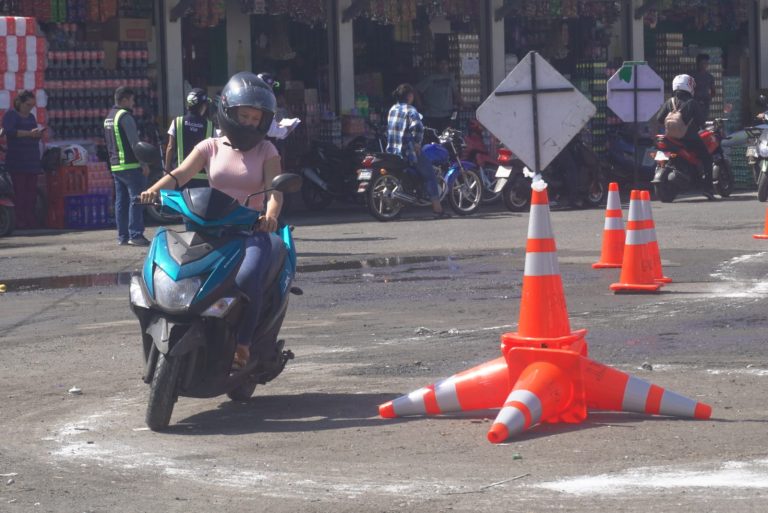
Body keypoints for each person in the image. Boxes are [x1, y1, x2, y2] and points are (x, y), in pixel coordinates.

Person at [139, 72, 283, 371]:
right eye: (244, 115)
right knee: (176, 275)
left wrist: (270, 216)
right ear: (228, 113)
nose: (249, 123)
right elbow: (179, 175)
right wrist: (154, 190)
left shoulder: (267, 150)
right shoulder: (210, 147)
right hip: (207, 229)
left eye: (256, 118)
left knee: (246, 279)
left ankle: (243, 344)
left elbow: (275, 191)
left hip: (249, 232)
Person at [386, 83, 448, 219]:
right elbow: (418, 127)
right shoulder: (411, 110)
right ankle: (437, 208)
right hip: (408, 151)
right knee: (430, 175)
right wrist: (417, 144)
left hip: (393, 150)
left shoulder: (393, 109)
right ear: (409, 96)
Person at [655, 74, 714, 200]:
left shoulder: (669, 102)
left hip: (671, 139)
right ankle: (708, 189)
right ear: (689, 86)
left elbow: (659, 118)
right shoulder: (692, 103)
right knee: (707, 158)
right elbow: (701, 120)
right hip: (690, 140)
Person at [104, 86, 150, 246]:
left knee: (121, 202)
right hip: (130, 166)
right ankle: (136, 234)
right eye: (131, 100)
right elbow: (134, 143)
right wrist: (143, 163)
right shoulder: (125, 116)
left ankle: (123, 236)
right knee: (136, 200)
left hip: (116, 166)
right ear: (124, 100)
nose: (133, 103)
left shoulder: (109, 117)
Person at [2, 90, 44, 229]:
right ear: (19, 102)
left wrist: (37, 134)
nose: (30, 107)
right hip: (17, 159)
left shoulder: (31, 117)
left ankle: (30, 220)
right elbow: (10, 132)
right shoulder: (11, 115)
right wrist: (28, 134)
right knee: (19, 192)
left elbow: (33, 132)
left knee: (31, 193)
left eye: (32, 105)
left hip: (31, 159)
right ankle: (19, 221)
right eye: (28, 104)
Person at [164, 88, 213, 189]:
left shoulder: (177, 122)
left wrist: (167, 169)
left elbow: (170, 147)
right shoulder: (210, 125)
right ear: (203, 106)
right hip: (203, 179)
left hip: (180, 177)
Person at [416, 60, 462, 133]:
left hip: (447, 115)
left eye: (445, 64)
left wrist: (462, 103)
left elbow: (456, 93)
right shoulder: (431, 78)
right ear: (437, 65)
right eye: (441, 64)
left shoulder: (450, 78)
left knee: (446, 138)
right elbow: (417, 90)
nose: (443, 66)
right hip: (432, 115)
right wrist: (420, 105)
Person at [692, 53, 716, 120]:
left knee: (704, 120)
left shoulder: (710, 77)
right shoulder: (692, 76)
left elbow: (713, 91)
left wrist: (708, 98)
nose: (704, 65)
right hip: (695, 102)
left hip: (705, 103)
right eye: (702, 63)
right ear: (698, 64)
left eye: (706, 63)